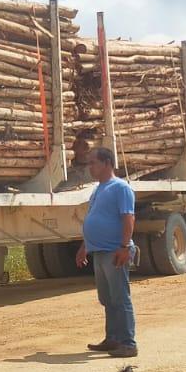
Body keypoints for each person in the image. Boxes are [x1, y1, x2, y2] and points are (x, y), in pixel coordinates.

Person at [76, 147, 139, 358]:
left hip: (114, 251)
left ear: (107, 163)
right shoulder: (98, 189)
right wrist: (84, 247)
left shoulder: (120, 188)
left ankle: (128, 343)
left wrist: (123, 246)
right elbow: (95, 218)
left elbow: (128, 218)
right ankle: (112, 338)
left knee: (120, 298)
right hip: (99, 252)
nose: (90, 167)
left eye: (93, 162)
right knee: (107, 298)